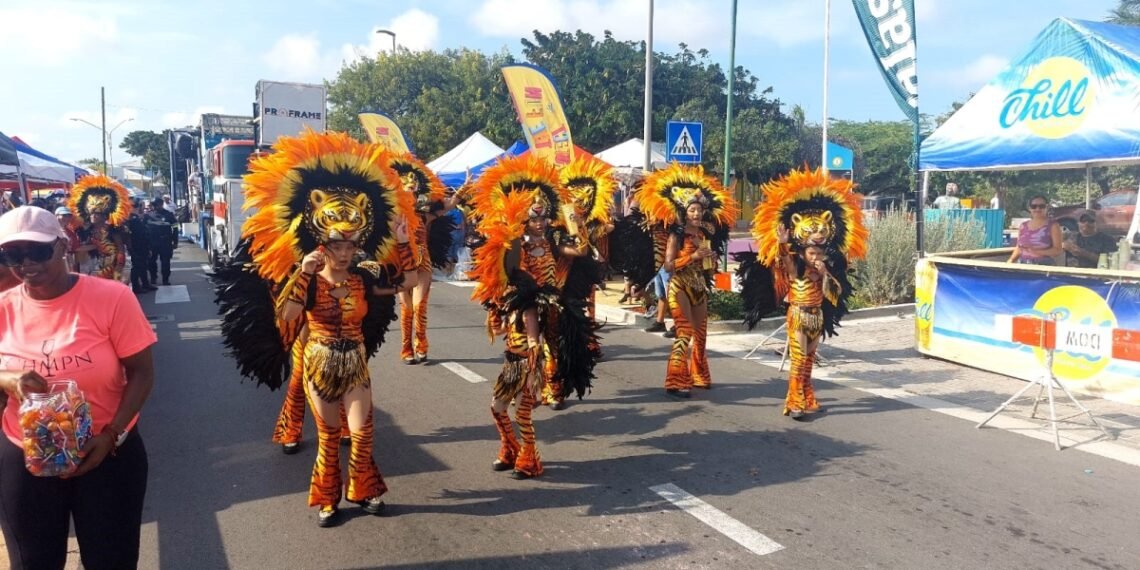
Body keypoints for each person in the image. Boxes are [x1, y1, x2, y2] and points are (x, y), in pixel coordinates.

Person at [215, 130, 418, 528]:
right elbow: (288, 314)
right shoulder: (306, 279)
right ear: (321, 245)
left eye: (349, 247)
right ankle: (327, 499)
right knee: (328, 436)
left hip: (355, 364)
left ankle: (363, 489)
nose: (343, 254)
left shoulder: (363, 278)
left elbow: (408, 282)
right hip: (318, 363)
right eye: (336, 247)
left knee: (362, 433)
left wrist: (403, 243)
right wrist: (304, 274)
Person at [0, 206, 156, 569]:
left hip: (105, 454)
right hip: (26, 457)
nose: (26, 263)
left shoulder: (112, 297)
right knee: (33, 563)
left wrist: (112, 435)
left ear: (63, 244)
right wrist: (8, 378)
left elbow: (142, 373)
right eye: (13, 255)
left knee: (111, 561)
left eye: (38, 250)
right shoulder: (3, 307)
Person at [468, 155, 598, 476]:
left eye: (543, 217)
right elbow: (508, 282)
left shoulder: (554, 243)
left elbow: (581, 251)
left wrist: (577, 224)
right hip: (522, 327)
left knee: (524, 405)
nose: (540, 223)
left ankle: (529, 457)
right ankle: (510, 447)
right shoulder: (517, 249)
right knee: (499, 406)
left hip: (547, 321)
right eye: (533, 218)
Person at [744, 167, 868, 419]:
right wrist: (782, 242)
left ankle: (806, 397)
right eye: (812, 253)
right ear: (803, 253)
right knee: (799, 359)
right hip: (798, 316)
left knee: (809, 360)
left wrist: (825, 274)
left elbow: (835, 294)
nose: (816, 257)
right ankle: (795, 402)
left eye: (819, 253)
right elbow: (782, 258)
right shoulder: (795, 269)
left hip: (817, 317)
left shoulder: (823, 271)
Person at [636, 164, 738, 398]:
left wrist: (710, 261)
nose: (696, 214)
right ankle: (674, 380)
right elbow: (668, 265)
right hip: (679, 286)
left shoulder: (704, 234)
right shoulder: (677, 234)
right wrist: (692, 256)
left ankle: (699, 375)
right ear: (685, 212)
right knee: (684, 332)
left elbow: (707, 270)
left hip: (699, 286)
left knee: (701, 334)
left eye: (699, 210)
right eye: (692, 210)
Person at [388, 154, 465, 365]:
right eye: (406, 191)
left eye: (413, 191)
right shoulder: (393, 216)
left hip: (423, 262)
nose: (410, 195)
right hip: (400, 263)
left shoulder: (425, 215)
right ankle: (406, 348)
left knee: (419, 305)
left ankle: (421, 343)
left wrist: (462, 189)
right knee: (406, 308)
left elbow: (449, 205)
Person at [69, 174, 131, 281]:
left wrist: (119, 266)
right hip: (94, 267)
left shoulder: (112, 229)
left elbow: (120, 249)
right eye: (92, 214)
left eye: (97, 214)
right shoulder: (88, 231)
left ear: (104, 216)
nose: (93, 216)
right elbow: (85, 248)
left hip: (112, 268)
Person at [1008, 195, 1062, 265]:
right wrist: (1010, 260)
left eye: (1041, 206)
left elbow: (1057, 250)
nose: (1037, 209)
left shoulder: (1053, 226)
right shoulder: (1023, 226)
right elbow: (1019, 248)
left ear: (1047, 207)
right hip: (1022, 264)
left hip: (1043, 265)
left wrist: (1037, 252)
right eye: (1034, 206)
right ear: (1029, 208)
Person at [144, 197, 177, 286]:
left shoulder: (169, 215)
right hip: (152, 242)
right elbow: (144, 229)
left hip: (165, 242)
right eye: (153, 205)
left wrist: (175, 241)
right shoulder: (148, 216)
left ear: (161, 204)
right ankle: (153, 278)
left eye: (157, 205)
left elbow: (175, 228)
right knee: (151, 262)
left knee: (165, 262)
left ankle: (165, 279)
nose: (155, 207)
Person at [125, 199, 156, 293]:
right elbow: (139, 234)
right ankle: (137, 287)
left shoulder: (134, 218)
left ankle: (145, 283)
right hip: (138, 246)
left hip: (140, 246)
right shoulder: (133, 219)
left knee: (143, 265)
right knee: (137, 266)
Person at [54, 206, 80, 271]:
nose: (67, 218)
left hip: (68, 262)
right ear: (56, 216)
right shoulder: (50, 230)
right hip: (54, 262)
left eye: (69, 216)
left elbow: (75, 248)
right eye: (64, 215)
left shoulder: (71, 232)